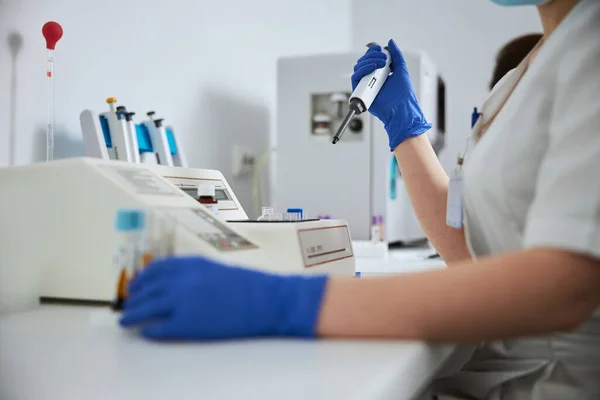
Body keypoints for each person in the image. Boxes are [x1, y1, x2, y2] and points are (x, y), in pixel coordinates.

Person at [119, 0, 600, 398]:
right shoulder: (525, 71)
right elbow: (466, 248)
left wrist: (281, 302)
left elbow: (566, 282)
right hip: (498, 373)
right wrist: (404, 128)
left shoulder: (591, 40)